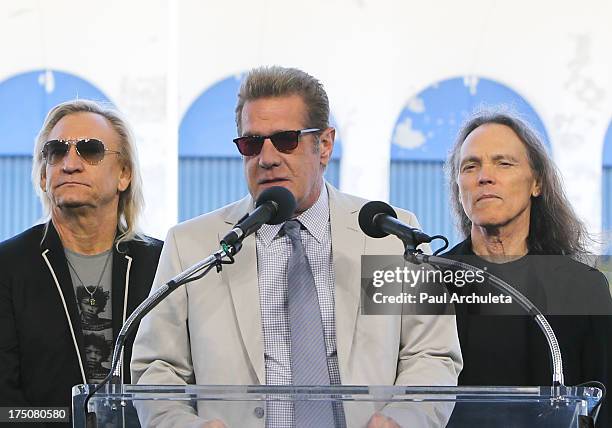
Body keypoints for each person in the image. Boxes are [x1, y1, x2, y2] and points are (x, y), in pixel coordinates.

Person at [131, 66, 462, 427]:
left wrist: (402, 419)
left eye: (286, 139)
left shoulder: (388, 234)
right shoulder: (193, 245)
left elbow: (431, 353)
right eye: (252, 143)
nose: (267, 157)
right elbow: (156, 368)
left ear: (325, 145)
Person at [444, 110, 612, 426]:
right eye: (471, 166)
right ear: (458, 186)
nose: (484, 176)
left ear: (536, 183)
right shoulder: (428, 281)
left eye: (503, 163)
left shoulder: (584, 289)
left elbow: (605, 403)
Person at [0, 100, 163, 421]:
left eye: (90, 150)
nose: (69, 164)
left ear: (124, 174)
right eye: (55, 152)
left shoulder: (163, 264)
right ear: (44, 175)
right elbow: (6, 407)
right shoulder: (7, 266)